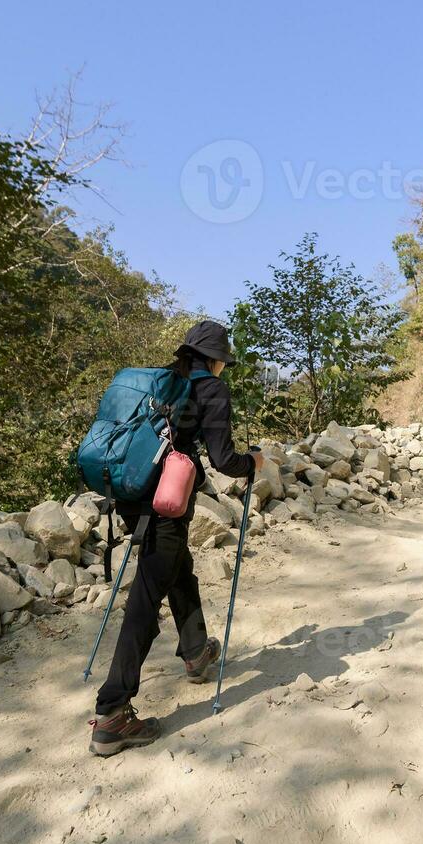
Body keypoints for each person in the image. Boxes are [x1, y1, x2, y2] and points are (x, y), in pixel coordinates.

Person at [90, 320, 265, 756]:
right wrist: (254, 462)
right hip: (166, 502)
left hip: (131, 494)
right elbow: (225, 460)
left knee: (175, 565)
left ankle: (194, 651)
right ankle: (112, 714)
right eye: (223, 360)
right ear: (215, 359)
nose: (224, 367)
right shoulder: (212, 390)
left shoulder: (162, 384)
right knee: (145, 600)